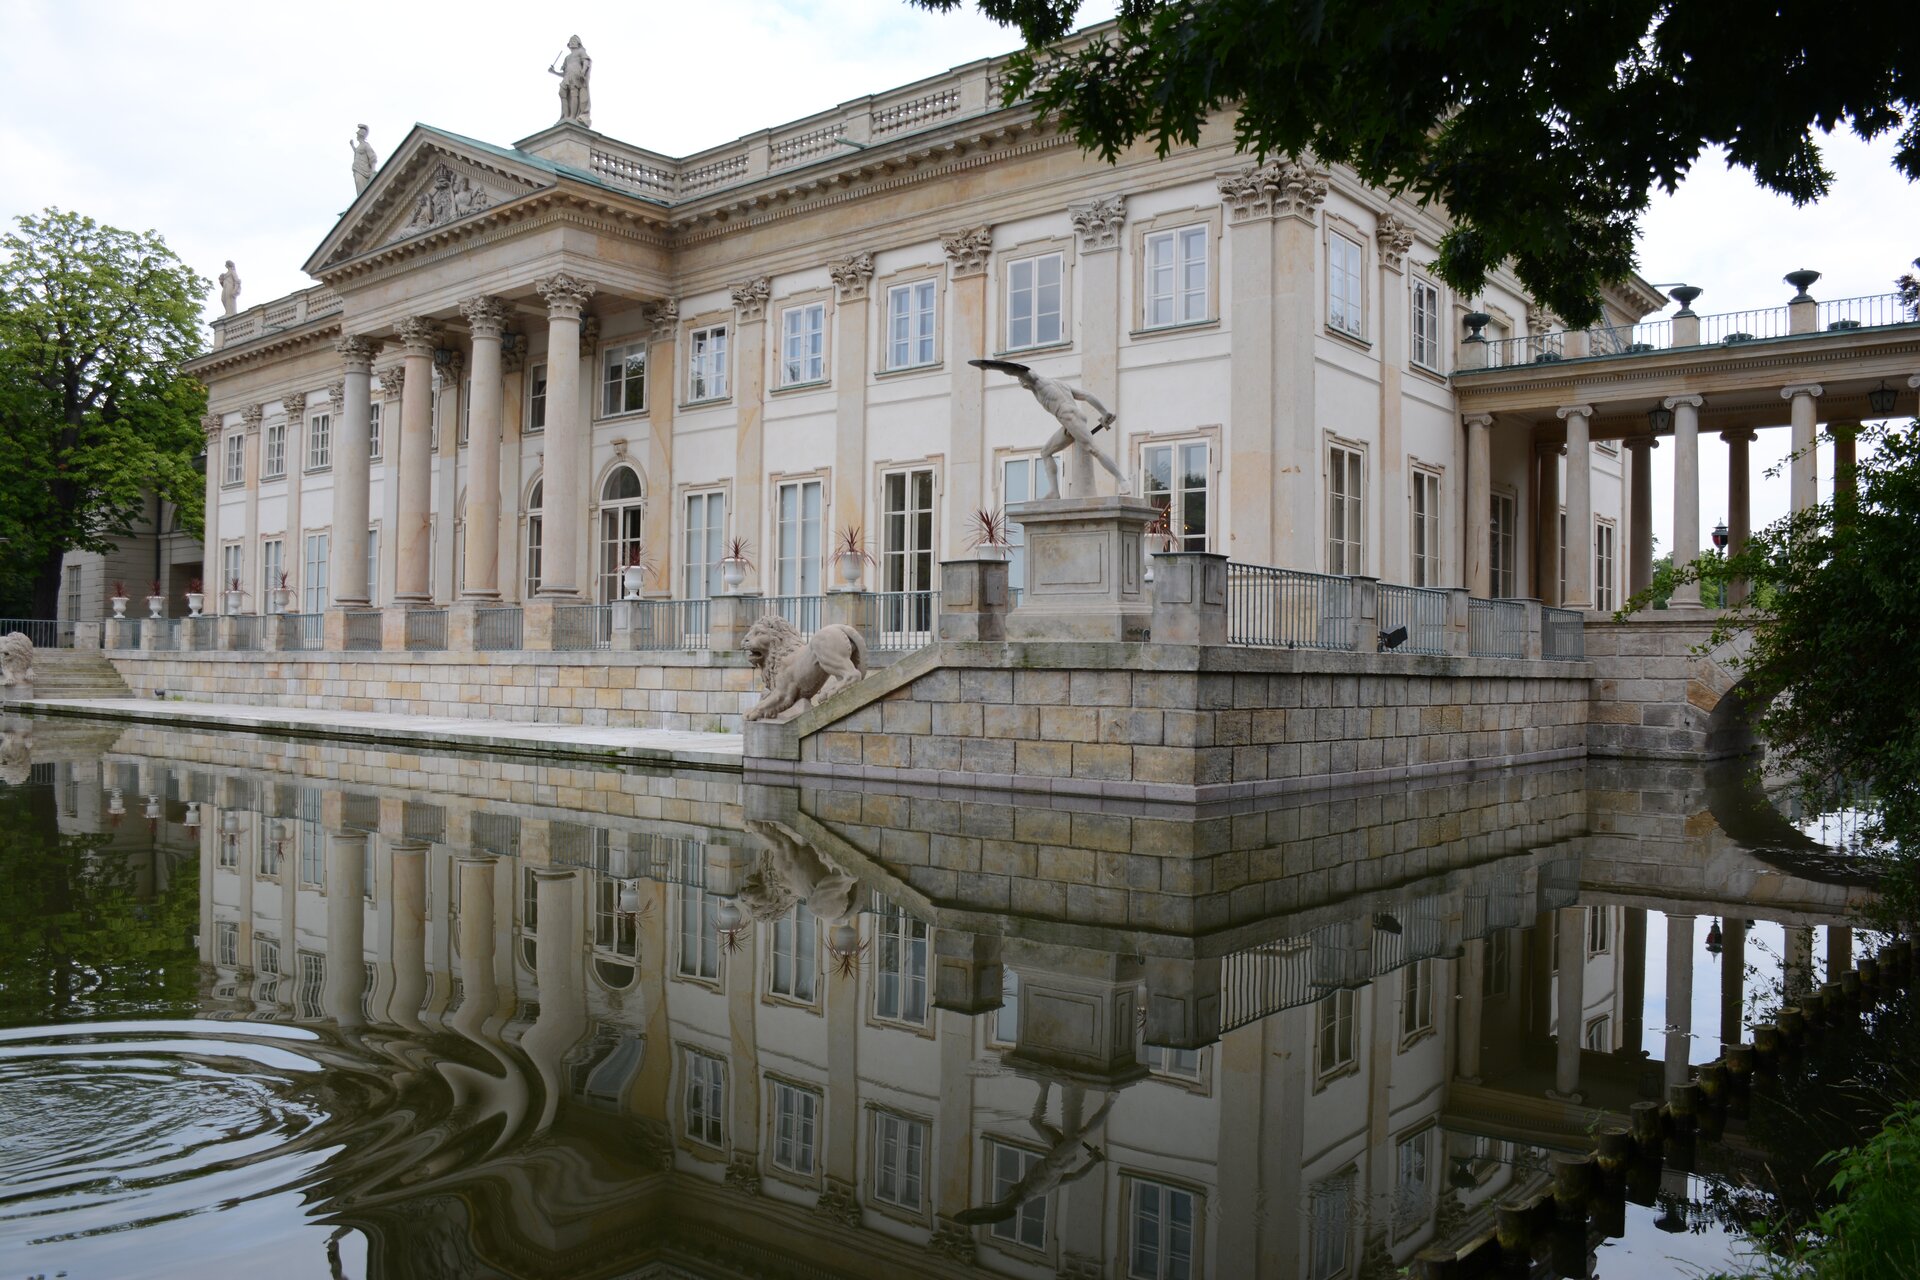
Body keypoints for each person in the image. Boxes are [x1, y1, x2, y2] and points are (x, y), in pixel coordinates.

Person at [974, 358, 1129, 494]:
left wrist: (988, 365)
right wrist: (1104, 412)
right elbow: (1087, 395)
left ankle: (1122, 480)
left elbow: (1015, 369)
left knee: (1093, 449)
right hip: (1068, 421)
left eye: (1021, 380)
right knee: (1045, 452)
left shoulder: (1036, 380)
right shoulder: (1057, 383)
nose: (1021, 382)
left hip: (1070, 417)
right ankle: (1054, 492)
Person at [550, 36, 592, 126]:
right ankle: (566, 116)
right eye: (571, 41)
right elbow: (564, 73)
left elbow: (586, 62)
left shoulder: (581, 51)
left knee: (574, 93)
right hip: (567, 77)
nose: (572, 42)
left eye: (574, 41)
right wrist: (554, 72)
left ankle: (572, 117)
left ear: (578, 43)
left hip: (576, 75)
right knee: (562, 93)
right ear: (568, 44)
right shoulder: (567, 57)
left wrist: (583, 71)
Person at [350, 124, 377, 193]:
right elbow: (357, 152)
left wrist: (373, 171)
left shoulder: (366, 145)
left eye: (358, 134)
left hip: (363, 171)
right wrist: (352, 146)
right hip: (357, 169)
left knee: (361, 185)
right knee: (358, 185)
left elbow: (373, 157)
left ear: (361, 135)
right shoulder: (360, 146)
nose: (357, 136)